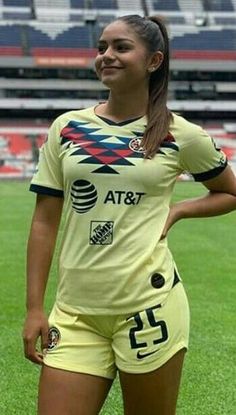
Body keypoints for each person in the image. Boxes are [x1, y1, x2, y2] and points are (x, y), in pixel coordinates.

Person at [23, 14, 236, 415]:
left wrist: (178, 210)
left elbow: (229, 192)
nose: (106, 56)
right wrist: (35, 307)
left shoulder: (180, 134)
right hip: (75, 312)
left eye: (121, 47)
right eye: (102, 47)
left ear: (154, 61)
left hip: (150, 309)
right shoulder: (67, 128)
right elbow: (44, 221)